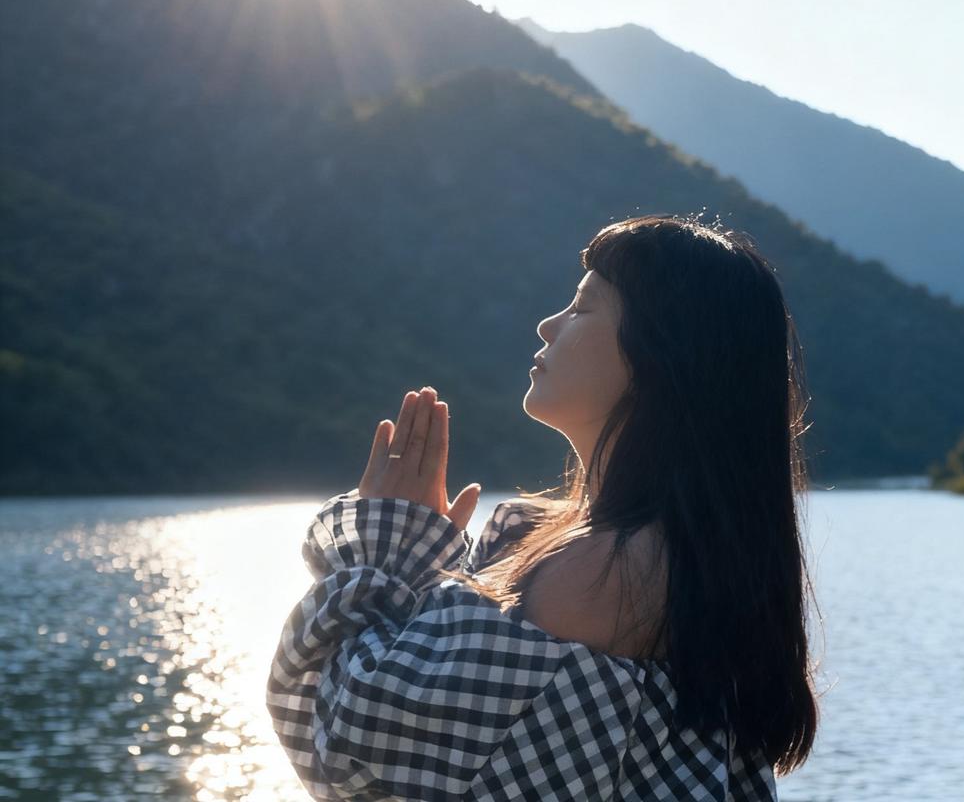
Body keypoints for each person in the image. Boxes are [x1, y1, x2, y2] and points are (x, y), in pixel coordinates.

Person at [266, 213, 821, 800]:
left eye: (582, 307)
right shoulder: (657, 548)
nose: (547, 325)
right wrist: (424, 569)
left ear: (658, 352)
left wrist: (387, 547)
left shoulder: (610, 572)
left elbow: (354, 746)